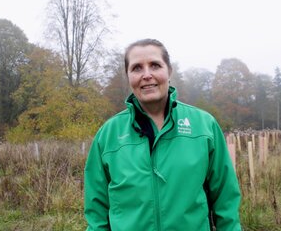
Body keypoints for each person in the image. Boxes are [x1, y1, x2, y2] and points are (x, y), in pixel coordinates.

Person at [84, 38, 241, 230]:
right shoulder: (108, 135)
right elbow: (96, 211)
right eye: (137, 68)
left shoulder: (204, 126)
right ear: (128, 76)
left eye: (155, 65)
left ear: (169, 71)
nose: (147, 75)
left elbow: (226, 198)